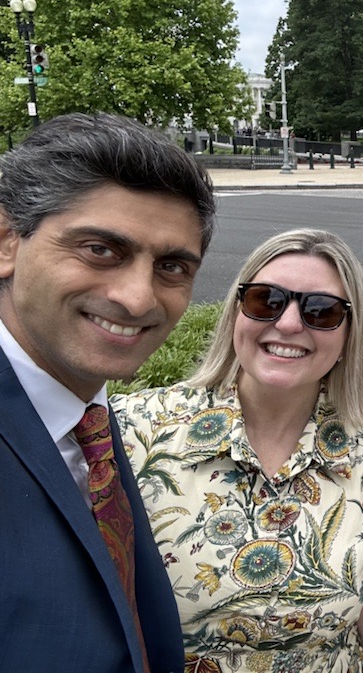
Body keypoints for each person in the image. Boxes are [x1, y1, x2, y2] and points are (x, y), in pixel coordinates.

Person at [112, 229, 363, 673]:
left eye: (321, 311)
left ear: (350, 335)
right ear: (235, 313)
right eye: (266, 300)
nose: (287, 323)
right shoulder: (132, 435)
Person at [0, 112, 216, 671]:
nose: (138, 298)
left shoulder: (85, 417)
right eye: (100, 250)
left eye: (171, 266)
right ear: (7, 241)